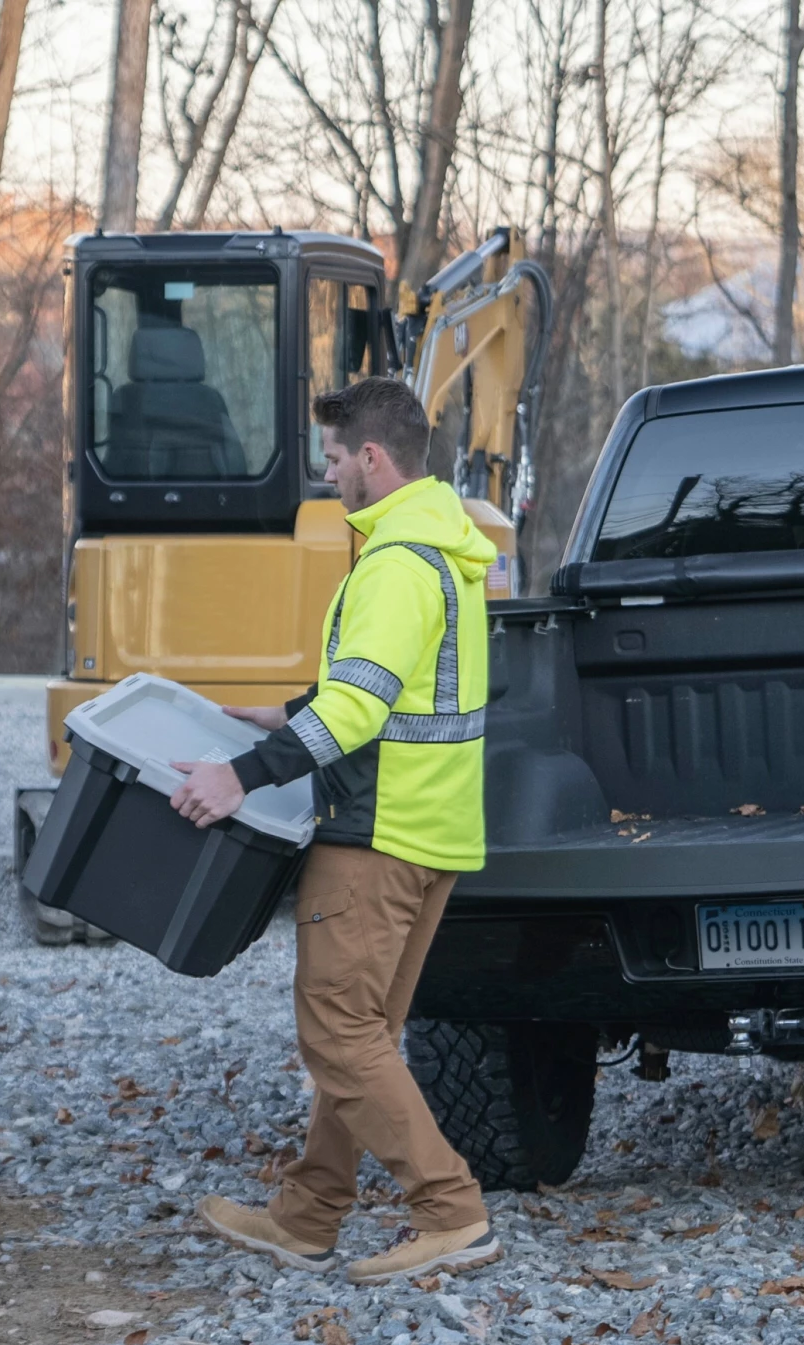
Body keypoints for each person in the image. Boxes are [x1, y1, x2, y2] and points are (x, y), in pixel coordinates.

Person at [168, 377, 501, 1285]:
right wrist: (281, 715)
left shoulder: (395, 560)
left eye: (333, 458)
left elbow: (359, 708)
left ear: (372, 459)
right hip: (429, 829)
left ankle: (450, 1212)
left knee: (336, 1035)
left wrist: (238, 777)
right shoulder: (445, 551)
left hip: (374, 834)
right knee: (362, 1037)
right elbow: (385, 690)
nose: (327, 476)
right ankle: (309, 1216)